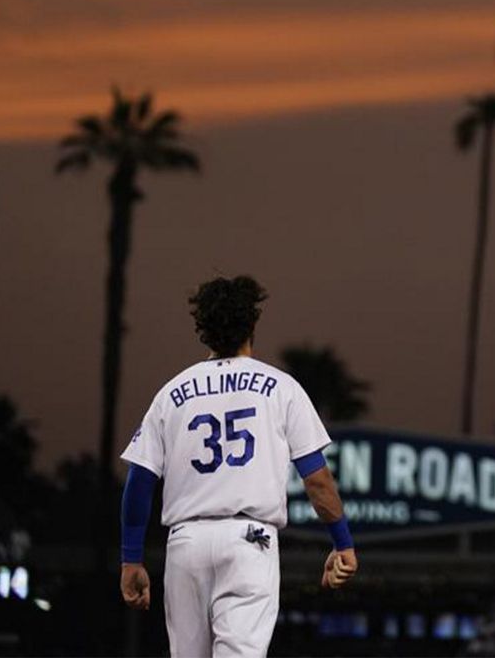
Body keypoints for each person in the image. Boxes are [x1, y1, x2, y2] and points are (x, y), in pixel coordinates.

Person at [116, 275, 357, 656]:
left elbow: (139, 482)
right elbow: (317, 481)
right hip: (250, 541)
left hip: (186, 544)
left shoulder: (172, 393)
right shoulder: (281, 387)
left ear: (204, 331)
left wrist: (131, 559)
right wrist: (342, 543)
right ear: (252, 325)